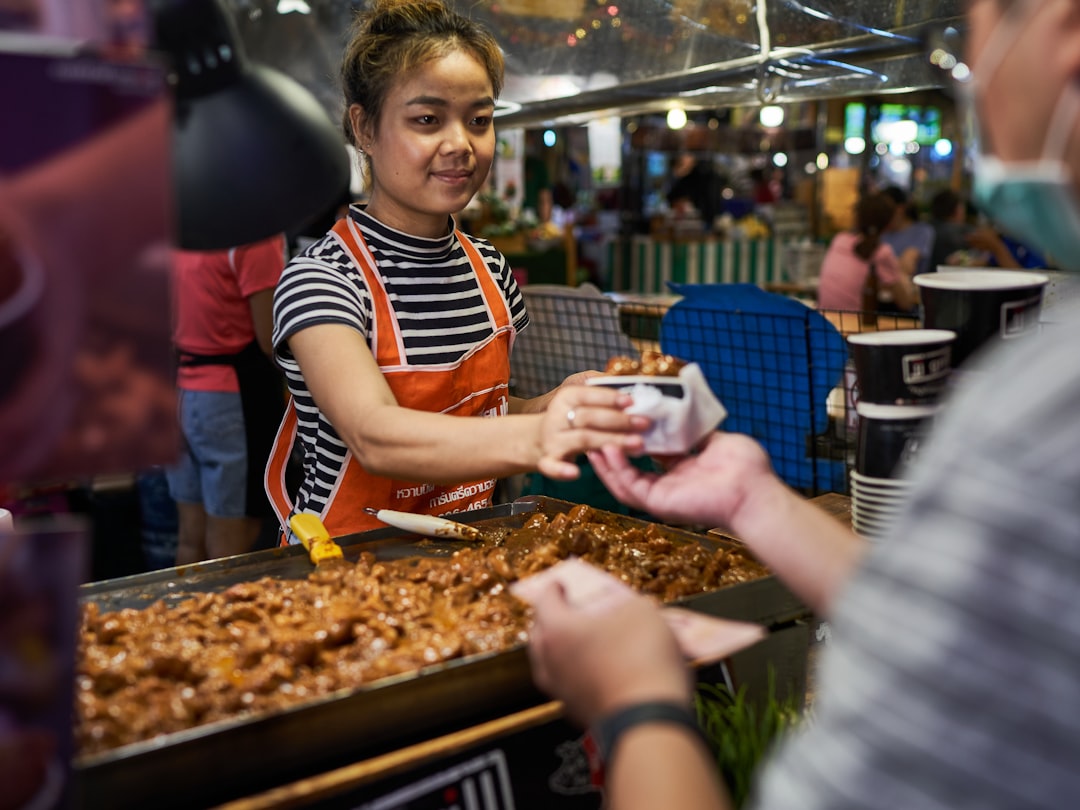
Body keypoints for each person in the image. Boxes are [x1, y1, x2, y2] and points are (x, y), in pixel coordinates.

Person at [524, 4, 1080, 809]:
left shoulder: (1038, 416)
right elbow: (969, 638)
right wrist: (755, 496)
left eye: (974, 32)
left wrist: (635, 700)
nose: (969, 72)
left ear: (1060, 32)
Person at [265, 0, 646, 543]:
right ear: (364, 128)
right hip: (346, 571)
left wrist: (553, 403)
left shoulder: (488, 268)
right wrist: (546, 432)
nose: (461, 145)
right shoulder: (322, 280)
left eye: (479, 120)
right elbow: (376, 437)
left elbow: (482, 415)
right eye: (427, 119)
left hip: (467, 555)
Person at [168, 234, 287, 564]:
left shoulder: (184, 228)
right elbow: (269, 338)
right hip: (229, 400)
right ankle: (223, 615)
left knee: (191, 538)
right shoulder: (255, 236)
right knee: (233, 540)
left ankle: (185, 615)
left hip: (178, 391)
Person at [816, 191, 918, 313]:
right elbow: (905, 303)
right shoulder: (881, 252)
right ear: (888, 222)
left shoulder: (840, 240)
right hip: (854, 327)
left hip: (823, 324)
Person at [880, 185, 935, 277]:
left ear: (900, 209)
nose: (880, 213)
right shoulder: (880, 231)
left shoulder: (922, 231)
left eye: (884, 209)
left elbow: (907, 267)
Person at [667, 152, 722, 229]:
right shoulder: (687, 179)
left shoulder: (710, 177)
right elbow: (672, 198)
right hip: (693, 223)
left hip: (704, 221)